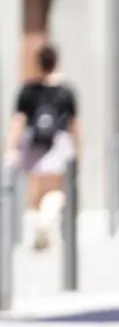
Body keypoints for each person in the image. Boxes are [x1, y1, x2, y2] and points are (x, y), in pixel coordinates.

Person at [2, 43, 77, 251]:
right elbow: (75, 124)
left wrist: (10, 147)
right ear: (56, 62)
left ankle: (40, 227)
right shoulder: (65, 92)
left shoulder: (27, 91)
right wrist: (77, 150)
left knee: (35, 192)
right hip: (58, 144)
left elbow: (18, 121)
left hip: (33, 144)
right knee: (56, 190)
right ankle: (45, 222)